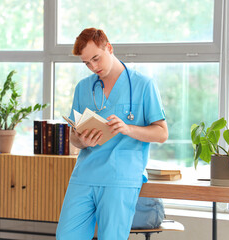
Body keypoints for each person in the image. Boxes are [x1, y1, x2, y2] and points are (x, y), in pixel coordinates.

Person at [56, 28, 168, 240]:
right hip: (85, 175)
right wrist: (81, 140)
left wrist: (128, 129)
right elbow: (73, 137)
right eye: (86, 63)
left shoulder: (143, 85)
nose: (93, 67)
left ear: (109, 47)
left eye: (96, 59)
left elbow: (162, 133)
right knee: (66, 236)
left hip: (120, 177)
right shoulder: (83, 88)